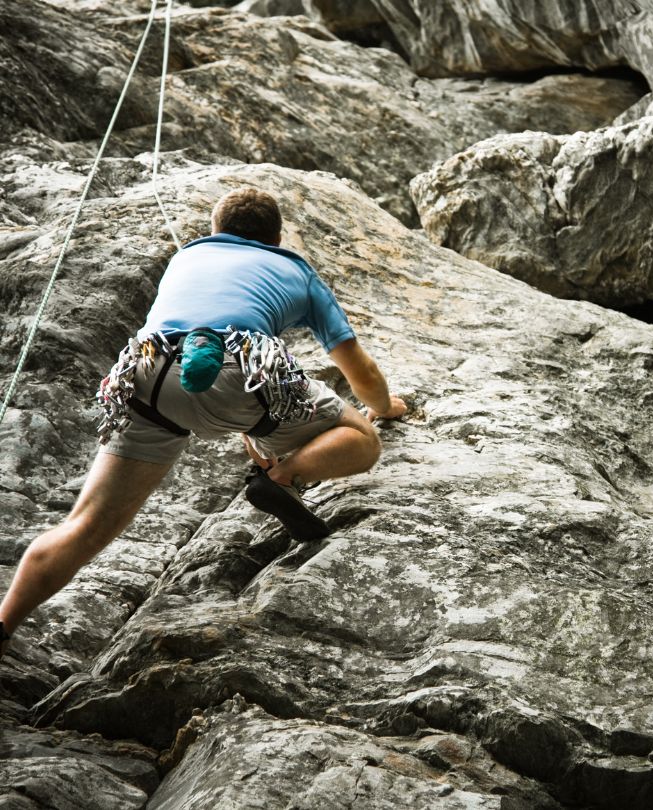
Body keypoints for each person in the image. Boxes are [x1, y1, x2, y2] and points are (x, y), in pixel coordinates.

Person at [0, 188, 405, 657]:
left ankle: (5, 621)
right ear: (276, 238)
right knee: (361, 439)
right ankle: (282, 478)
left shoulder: (186, 257)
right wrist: (384, 407)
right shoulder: (295, 269)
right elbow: (359, 370)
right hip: (236, 373)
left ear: (215, 230)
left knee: (85, 525)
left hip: (145, 375)